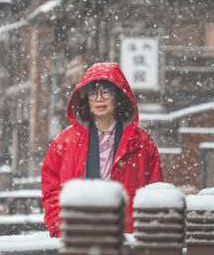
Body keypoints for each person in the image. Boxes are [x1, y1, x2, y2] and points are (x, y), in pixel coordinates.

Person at [41, 62, 164, 237]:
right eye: (93, 93)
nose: (99, 98)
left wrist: (142, 233)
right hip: (78, 237)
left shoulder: (141, 142)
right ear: (87, 100)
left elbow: (155, 193)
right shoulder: (65, 142)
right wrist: (61, 227)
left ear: (118, 96)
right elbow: (50, 189)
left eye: (106, 91)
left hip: (126, 239)